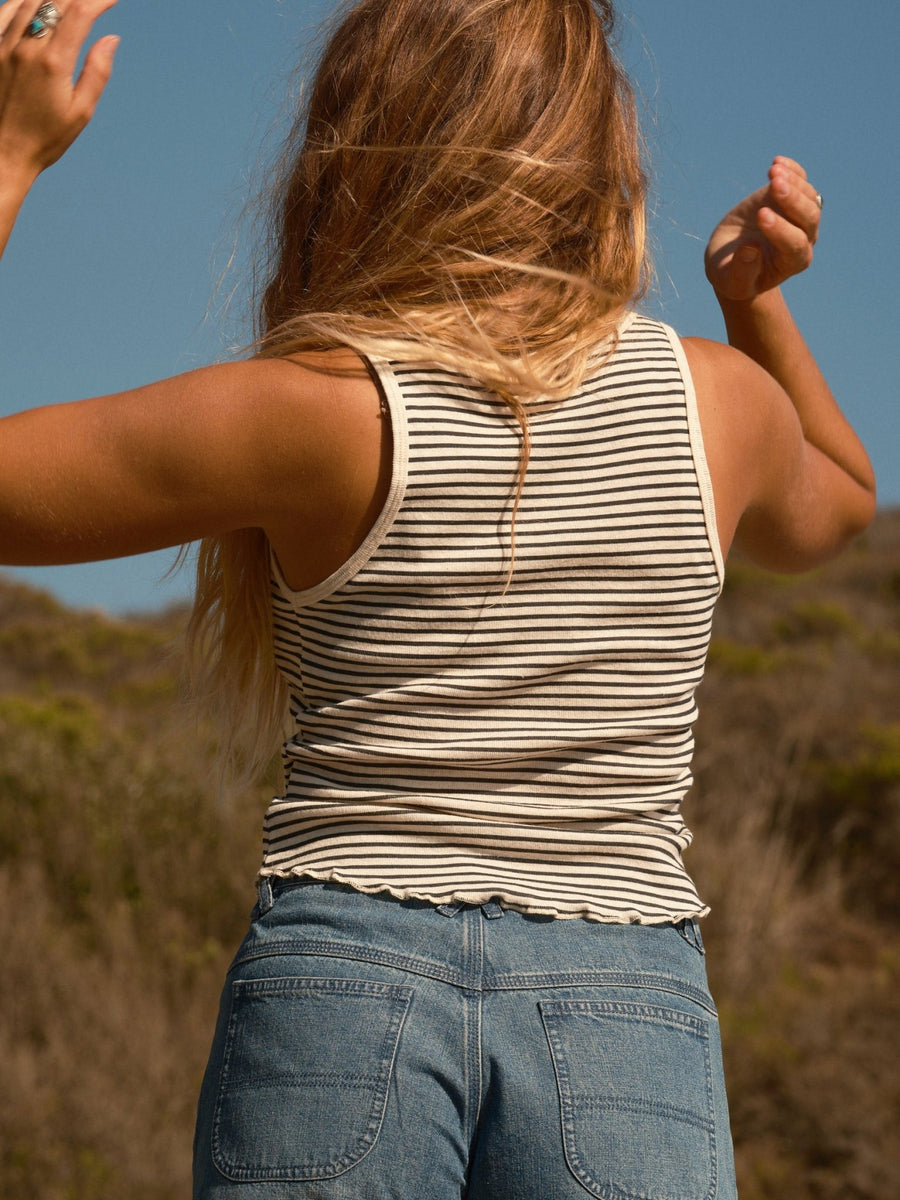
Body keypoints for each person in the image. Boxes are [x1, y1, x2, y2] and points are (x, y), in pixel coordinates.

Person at [0, 1, 877, 1198]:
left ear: (362, 139)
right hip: (628, 1007)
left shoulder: (317, 411)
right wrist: (754, 301)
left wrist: (8, 153)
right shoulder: (714, 406)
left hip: (337, 991)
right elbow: (843, 500)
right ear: (598, 149)